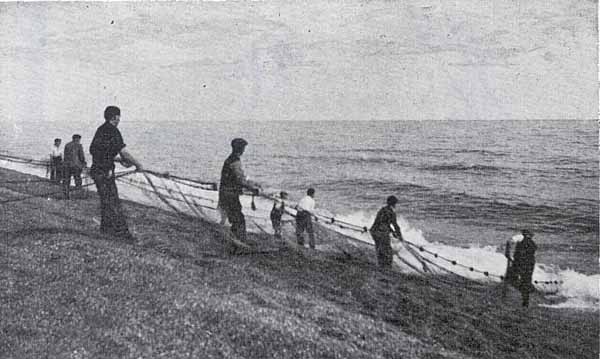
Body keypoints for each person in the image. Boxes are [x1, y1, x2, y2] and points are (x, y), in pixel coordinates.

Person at [89, 106, 143, 241]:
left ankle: (106, 229)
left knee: (106, 201)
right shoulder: (113, 130)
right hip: (105, 172)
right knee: (114, 203)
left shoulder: (101, 130)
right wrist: (138, 164)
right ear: (115, 117)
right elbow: (124, 151)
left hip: (97, 170)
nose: (120, 119)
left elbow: (95, 151)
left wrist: (117, 160)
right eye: (119, 116)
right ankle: (122, 234)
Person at [218, 138, 261, 244]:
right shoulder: (235, 161)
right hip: (229, 194)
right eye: (243, 148)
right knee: (238, 219)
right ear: (239, 148)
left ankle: (236, 241)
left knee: (236, 218)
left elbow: (240, 178)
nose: (244, 150)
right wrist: (253, 188)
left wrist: (252, 183)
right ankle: (239, 243)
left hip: (227, 193)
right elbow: (240, 180)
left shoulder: (231, 159)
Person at [370, 196, 403, 268]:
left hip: (374, 231)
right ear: (394, 204)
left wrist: (392, 231)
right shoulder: (392, 212)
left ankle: (380, 266)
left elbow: (382, 222)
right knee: (388, 252)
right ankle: (387, 268)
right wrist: (400, 236)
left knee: (379, 249)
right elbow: (396, 225)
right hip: (382, 233)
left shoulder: (382, 210)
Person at [509, 229, 537, 307]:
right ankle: (525, 301)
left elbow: (510, 243)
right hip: (529, 264)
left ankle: (524, 299)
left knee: (515, 278)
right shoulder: (531, 243)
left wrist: (509, 254)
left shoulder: (521, 240)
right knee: (526, 281)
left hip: (521, 263)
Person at [62, 134, 87, 199]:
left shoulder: (67, 145)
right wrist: (84, 163)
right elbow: (81, 156)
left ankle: (66, 195)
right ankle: (78, 195)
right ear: (77, 139)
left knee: (67, 180)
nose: (79, 140)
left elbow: (65, 156)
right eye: (78, 139)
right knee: (78, 180)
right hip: (76, 166)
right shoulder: (79, 146)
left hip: (67, 165)